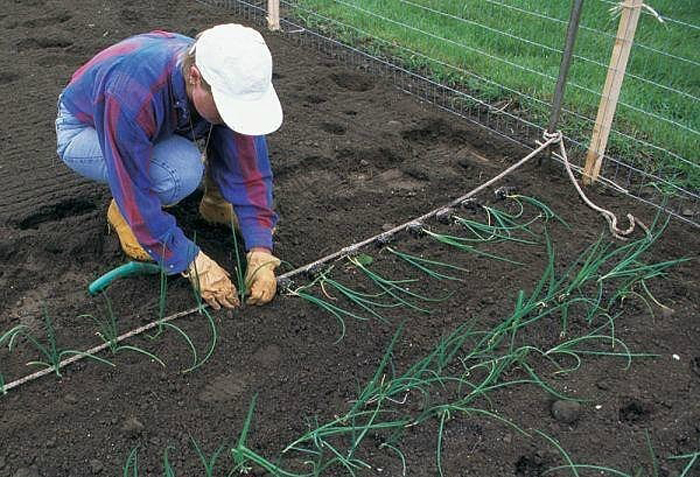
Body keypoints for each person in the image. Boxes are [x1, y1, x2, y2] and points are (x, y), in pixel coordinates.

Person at [55, 24, 283, 310]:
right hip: (84, 127)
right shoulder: (130, 94)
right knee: (180, 170)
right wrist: (190, 261)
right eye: (227, 105)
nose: (232, 113)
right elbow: (131, 179)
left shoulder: (223, 72)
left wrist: (261, 249)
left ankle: (215, 202)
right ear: (195, 77)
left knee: (224, 126)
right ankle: (124, 215)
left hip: (156, 118)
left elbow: (250, 164)